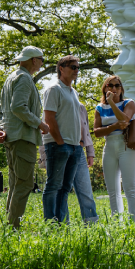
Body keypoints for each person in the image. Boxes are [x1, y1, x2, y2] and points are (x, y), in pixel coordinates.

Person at [0, 46, 51, 229]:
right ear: (34, 60)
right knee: (24, 184)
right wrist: (40, 123)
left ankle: (10, 226)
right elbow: (18, 107)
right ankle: (13, 227)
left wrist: (2, 129)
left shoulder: (11, 78)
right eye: (42, 59)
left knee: (15, 183)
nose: (42, 63)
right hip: (23, 138)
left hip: (12, 139)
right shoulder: (24, 79)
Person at [38, 94, 99, 223]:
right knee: (60, 189)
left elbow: (86, 131)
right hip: (60, 149)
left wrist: (90, 152)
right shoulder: (55, 104)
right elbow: (46, 131)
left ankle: (92, 222)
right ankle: (63, 223)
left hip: (79, 150)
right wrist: (44, 157)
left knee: (85, 189)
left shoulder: (81, 107)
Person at [41, 55, 84, 222]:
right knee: (53, 186)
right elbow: (49, 118)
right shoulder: (54, 89)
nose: (76, 70)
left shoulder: (74, 92)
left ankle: (61, 224)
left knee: (65, 188)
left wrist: (78, 143)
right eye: (73, 67)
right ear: (61, 68)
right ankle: (49, 224)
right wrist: (60, 142)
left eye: (78, 67)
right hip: (58, 145)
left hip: (74, 146)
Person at [93, 74, 135, 222]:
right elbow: (97, 132)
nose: (114, 88)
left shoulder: (128, 103)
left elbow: (125, 119)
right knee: (112, 190)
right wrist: (114, 126)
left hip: (125, 145)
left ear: (121, 89)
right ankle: (116, 222)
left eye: (117, 85)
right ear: (105, 88)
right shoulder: (99, 108)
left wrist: (112, 103)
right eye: (110, 85)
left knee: (130, 188)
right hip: (109, 146)